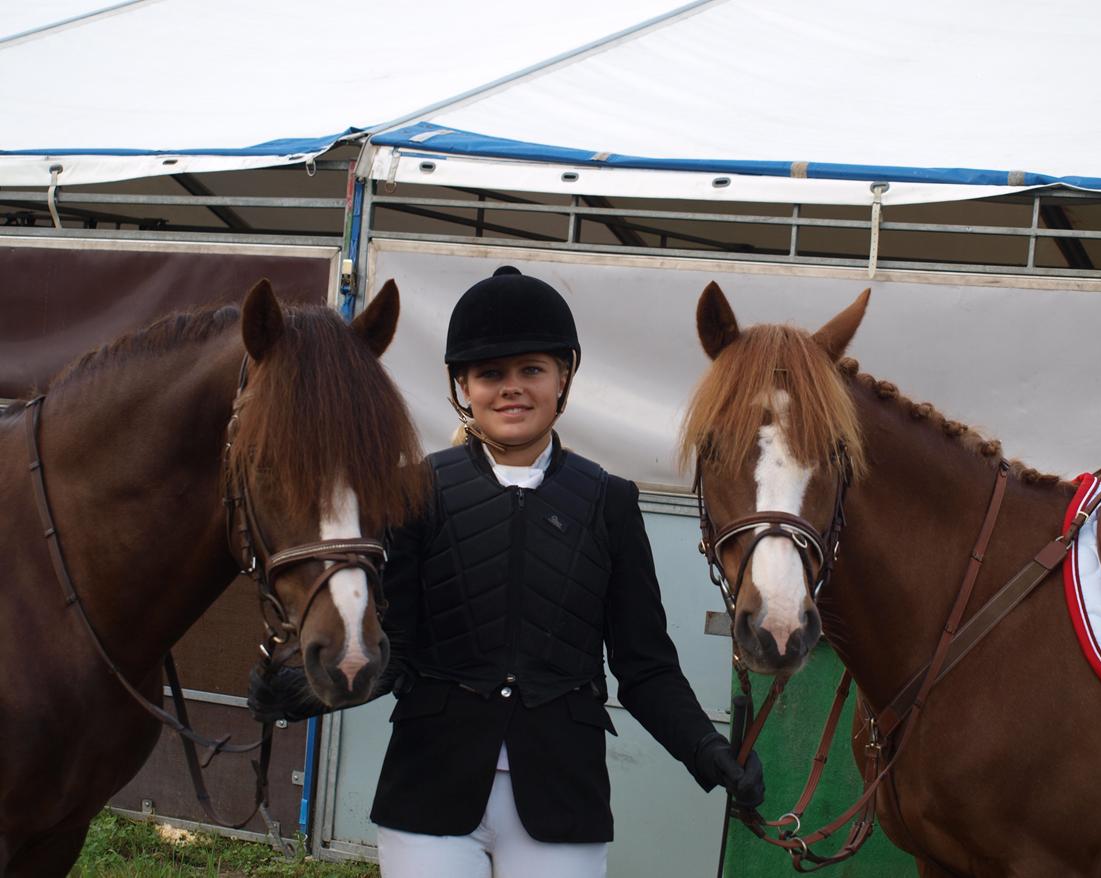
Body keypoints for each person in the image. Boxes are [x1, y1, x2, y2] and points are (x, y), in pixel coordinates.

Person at [249, 266, 764, 877]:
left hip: (562, 793)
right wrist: (310, 691)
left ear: (563, 377)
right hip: (431, 788)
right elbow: (398, 646)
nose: (511, 389)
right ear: (462, 385)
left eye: (531, 371)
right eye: (491, 374)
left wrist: (706, 751)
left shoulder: (610, 502)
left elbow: (644, 666)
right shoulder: (414, 490)